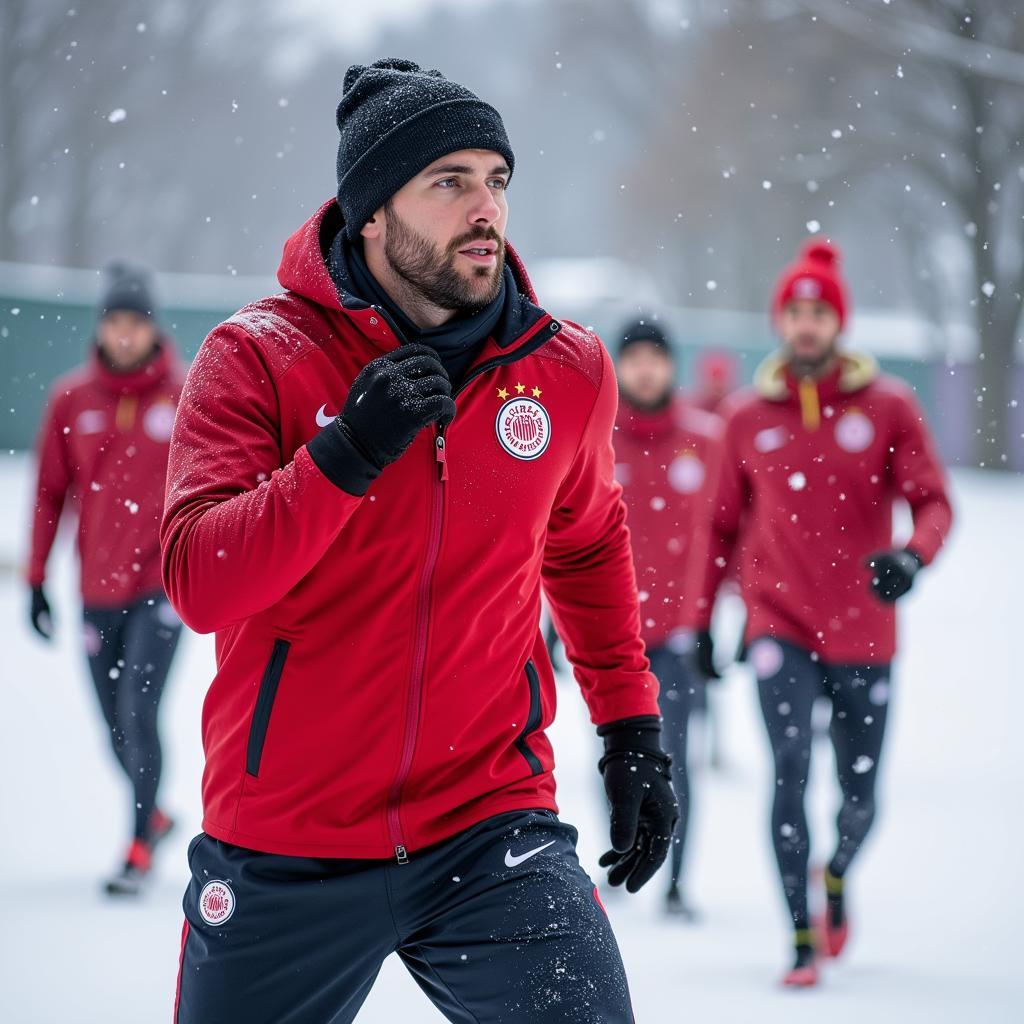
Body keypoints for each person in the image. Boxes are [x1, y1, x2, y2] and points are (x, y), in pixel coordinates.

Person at [162, 59, 676, 1024]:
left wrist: (632, 729)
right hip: (286, 842)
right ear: (370, 212)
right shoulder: (256, 356)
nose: (485, 207)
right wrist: (345, 454)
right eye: (449, 182)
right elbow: (200, 579)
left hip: (488, 826)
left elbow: (588, 542)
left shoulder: (564, 370)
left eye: (496, 180)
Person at [684, 239, 952, 987]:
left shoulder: (889, 406)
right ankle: (800, 937)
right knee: (789, 771)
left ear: (838, 321)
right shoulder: (745, 417)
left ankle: (835, 877)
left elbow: (933, 501)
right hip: (780, 626)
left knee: (861, 796)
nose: (805, 326)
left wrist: (911, 557)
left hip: (865, 629)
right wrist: (702, 622)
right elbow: (717, 529)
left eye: (818, 313)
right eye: (794, 313)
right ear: (780, 321)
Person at [27, 261, 185, 896]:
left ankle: (137, 844)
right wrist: (35, 579)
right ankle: (157, 815)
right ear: (101, 327)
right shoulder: (72, 399)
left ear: (153, 328)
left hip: (162, 588)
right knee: (113, 726)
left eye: (136, 322)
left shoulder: (184, 393)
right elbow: (47, 493)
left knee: (139, 712)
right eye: (115, 322)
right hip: (96, 592)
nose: (125, 334)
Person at [612, 318, 720, 920]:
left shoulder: (706, 438)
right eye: (635, 358)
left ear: (672, 365)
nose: (646, 368)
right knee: (618, 757)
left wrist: (707, 624)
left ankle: (678, 881)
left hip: (679, 638)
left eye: (657, 356)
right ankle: (623, 861)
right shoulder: (598, 436)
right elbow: (564, 536)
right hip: (613, 641)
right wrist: (555, 624)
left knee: (678, 760)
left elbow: (728, 536)